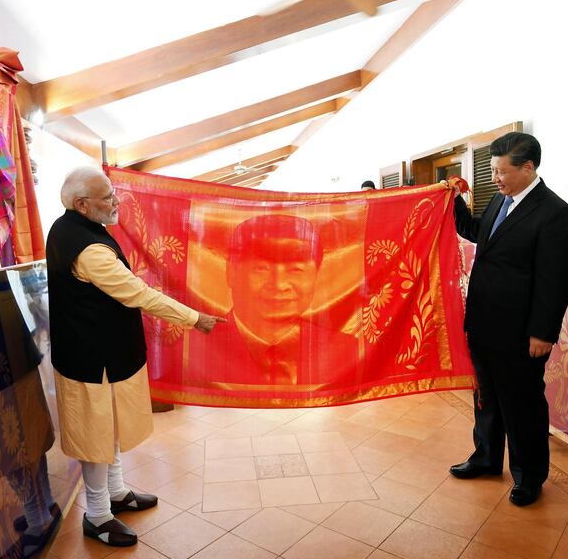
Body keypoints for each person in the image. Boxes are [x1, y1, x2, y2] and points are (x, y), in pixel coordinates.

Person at [46, 166, 224, 547]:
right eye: (107, 196)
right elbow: (137, 294)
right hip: (90, 359)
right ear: (82, 204)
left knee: (107, 425)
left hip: (104, 353)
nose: (115, 201)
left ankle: (115, 491)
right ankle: (97, 515)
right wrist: (194, 318)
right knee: (95, 434)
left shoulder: (77, 229)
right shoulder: (87, 247)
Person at [449, 132, 568, 506]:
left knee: (522, 405)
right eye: (492, 170)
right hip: (483, 324)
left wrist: (543, 332)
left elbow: (555, 282)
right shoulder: (499, 202)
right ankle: (487, 459)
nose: (495, 178)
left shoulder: (555, 214)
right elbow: (478, 234)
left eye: (502, 172)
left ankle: (529, 476)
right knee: (486, 399)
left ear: (528, 167)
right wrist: (454, 201)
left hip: (521, 333)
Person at [188, 214, 359, 388]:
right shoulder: (198, 347)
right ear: (231, 272)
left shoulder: (343, 349)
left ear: (316, 274)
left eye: (295, 270)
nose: (279, 285)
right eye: (261, 268)